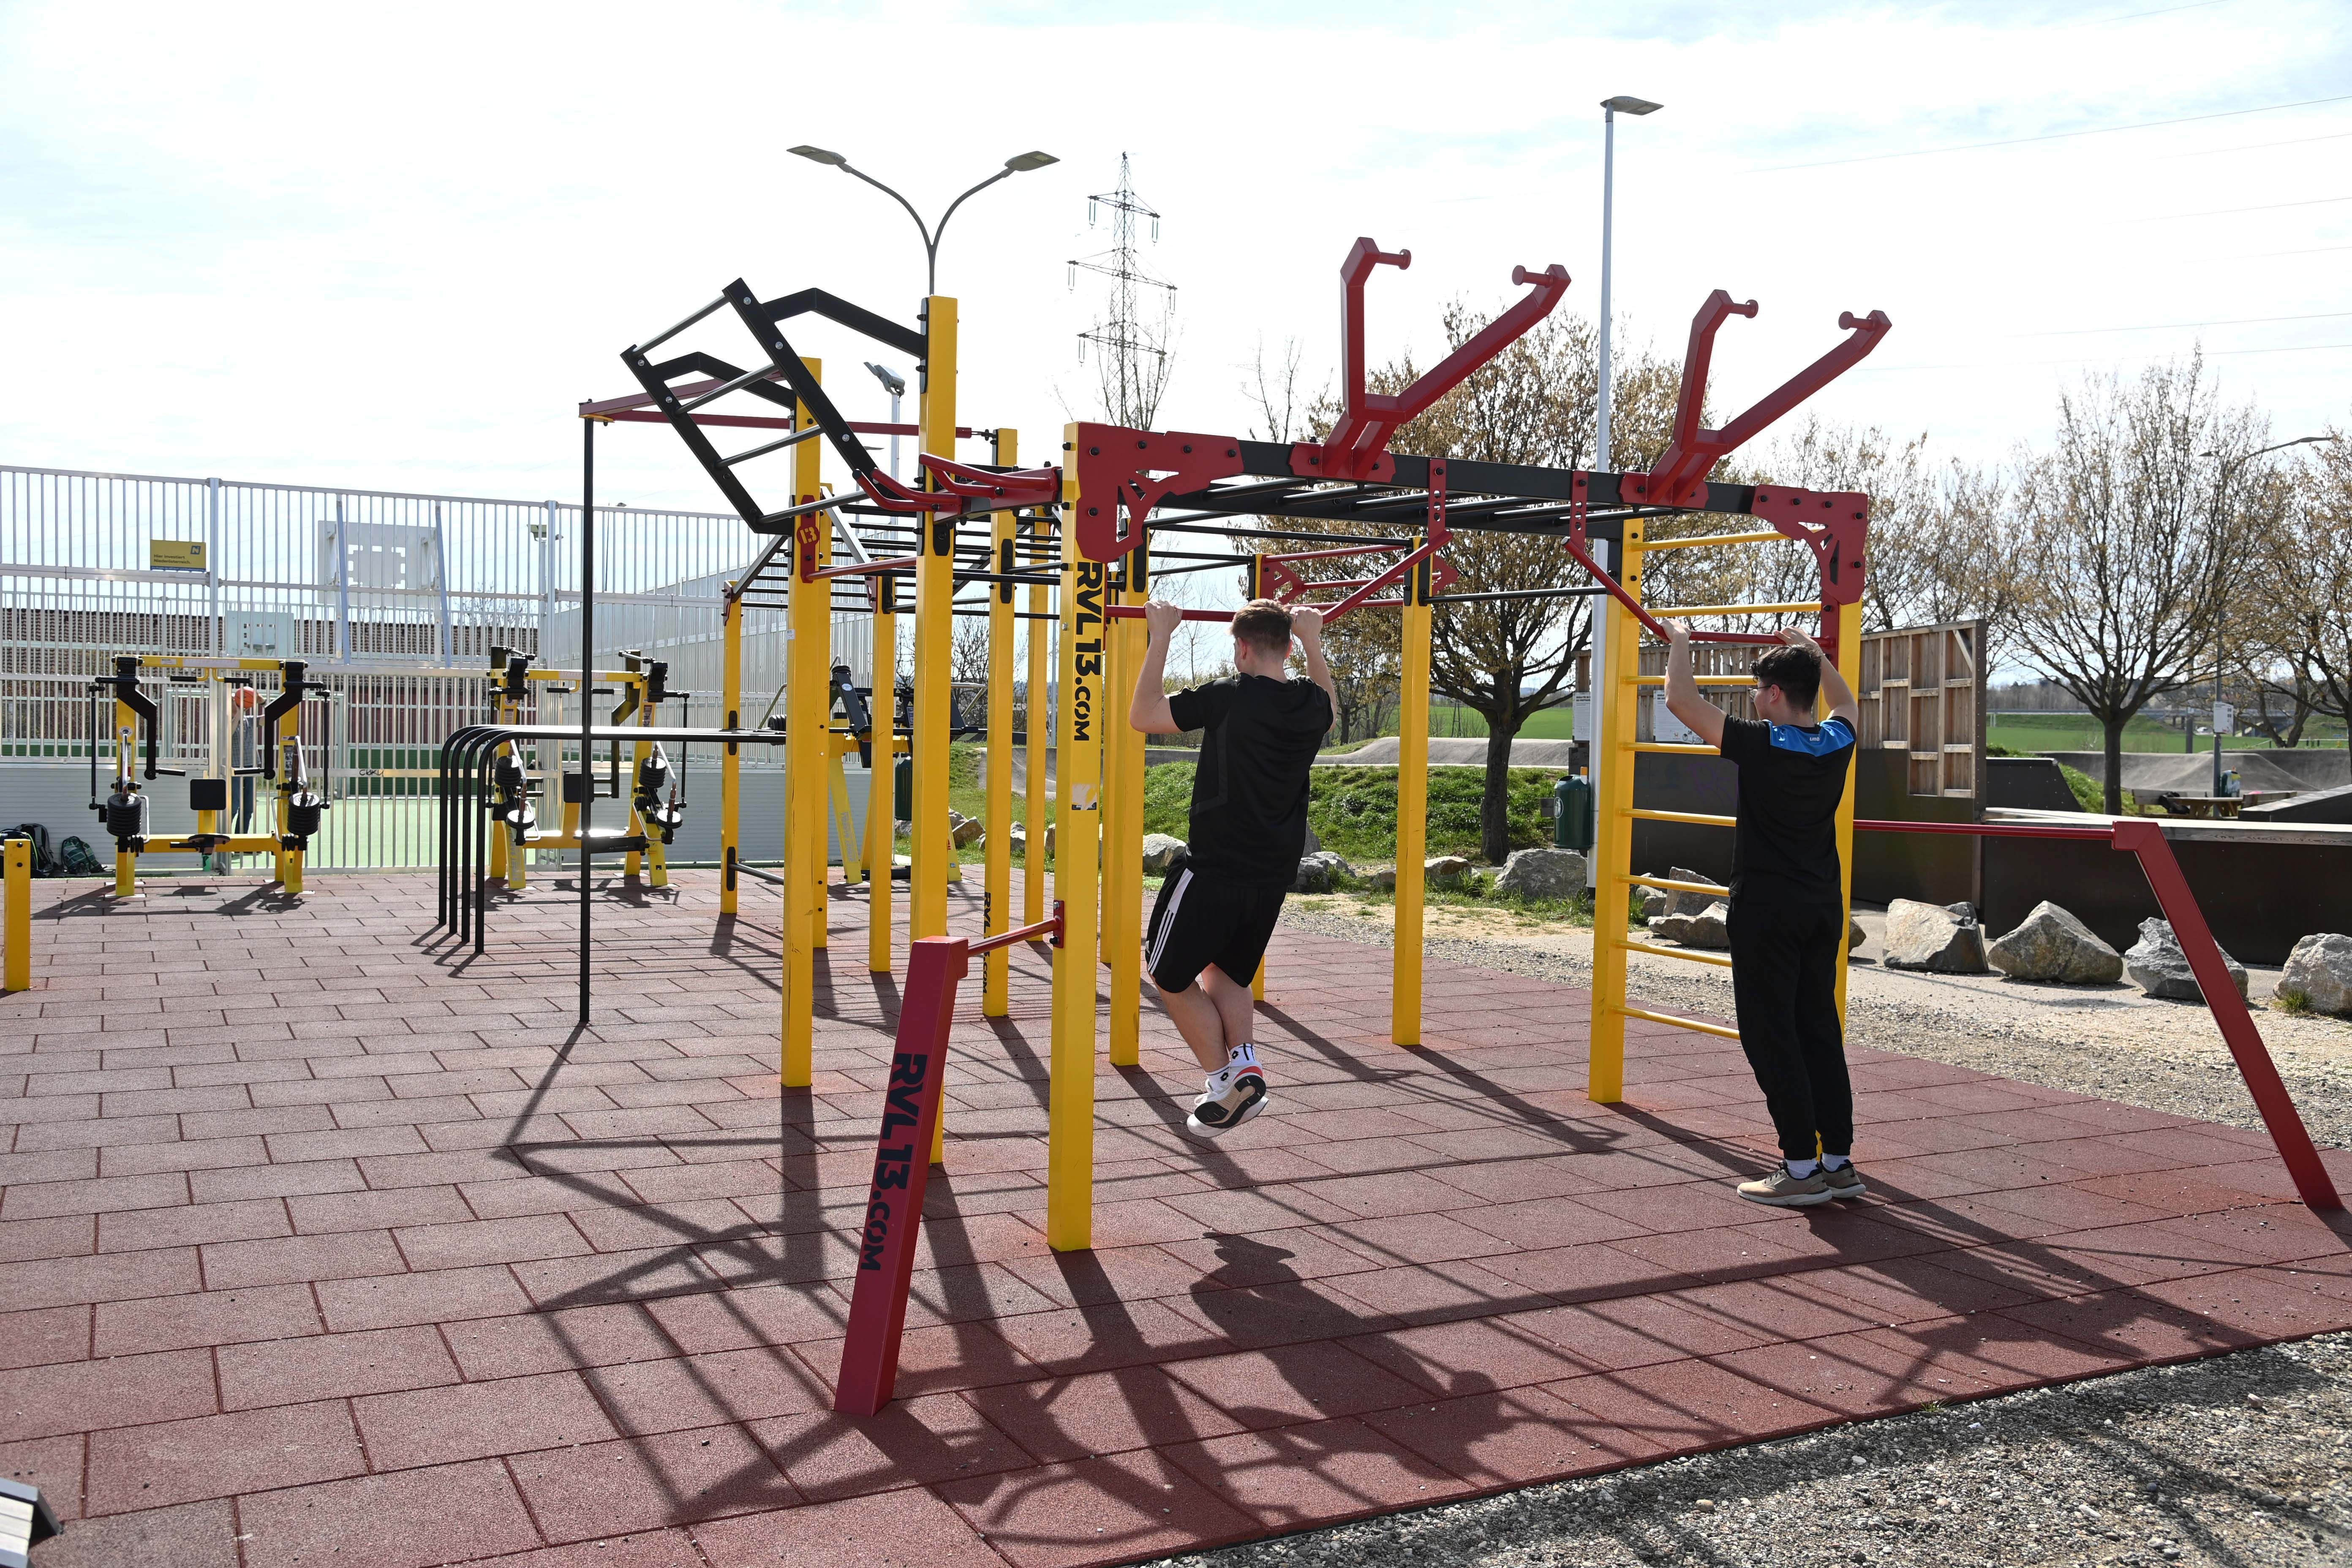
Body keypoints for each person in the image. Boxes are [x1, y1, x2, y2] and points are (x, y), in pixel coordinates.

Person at [1661, 619, 1862, 1207]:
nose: (1753, 697)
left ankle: (1800, 1168)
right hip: (1823, 906)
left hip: (1767, 910)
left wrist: (1679, 644)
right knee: (1818, 1029)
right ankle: (1838, 1162)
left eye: (1757, 688)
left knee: (1771, 1033)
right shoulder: (1837, 740)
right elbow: (1846, 699)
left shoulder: (1762, 741)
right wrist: (1812, 652)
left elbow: (1681, 700)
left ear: (1775, 695)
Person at [1129, 597, 1336, 1138]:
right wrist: (1315, 641)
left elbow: (1143, 716)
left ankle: (1224, 1080)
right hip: (1271, 875)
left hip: (1215, 868)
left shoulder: (1229, 696)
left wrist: (1161, 636)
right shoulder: (1309, 705)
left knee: (1167, 971)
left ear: (1242, 648)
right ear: (1288, 648)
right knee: (1226, 971)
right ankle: (1244, 1066)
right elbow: (1330, 706)